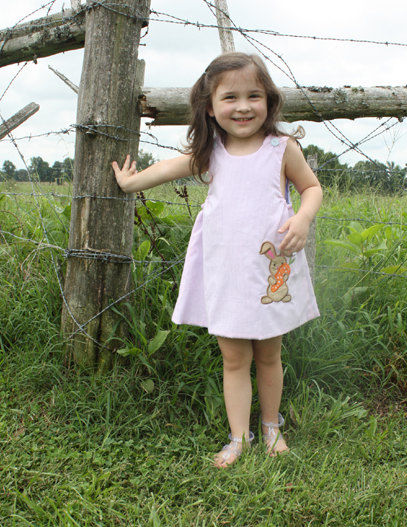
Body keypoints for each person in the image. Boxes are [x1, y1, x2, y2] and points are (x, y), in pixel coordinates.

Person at [112, 52, 322, 468]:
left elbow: (311, 187)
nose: (243, 107)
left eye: (254, 96)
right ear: (210, 107)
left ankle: (271, 427)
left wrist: (302, 218)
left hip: (269, 274)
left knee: (269, 355)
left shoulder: (282, 148)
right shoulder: (212, 152)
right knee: (233, 358)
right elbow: (170, 167)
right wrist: (130, 181)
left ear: (269, 101)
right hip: (226, 273)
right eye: (230, 98)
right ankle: (239, 438)